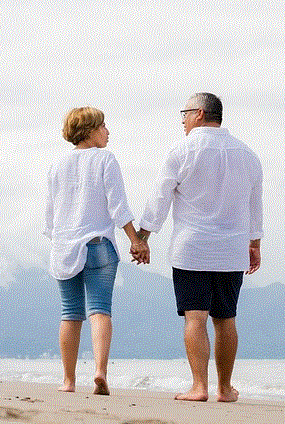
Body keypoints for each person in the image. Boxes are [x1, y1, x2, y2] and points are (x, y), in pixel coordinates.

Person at [135, 92, 262, 402]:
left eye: (185, 113)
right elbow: (254, 204)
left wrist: (142, 237)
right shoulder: (247, 154)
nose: (182, 120)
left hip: (191, 248)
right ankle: (224, 389)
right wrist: (254, 243)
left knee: (195, 318)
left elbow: (160, 198)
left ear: (201, 114)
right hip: (231, 250)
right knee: (226, 319)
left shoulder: (182, 150)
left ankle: (199, 387)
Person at [44, 106, 149, 394]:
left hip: (65, 247)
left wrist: (59, 242)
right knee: (100, 311)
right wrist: (136, 240)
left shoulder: (57, 164)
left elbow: (50, 216)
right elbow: (118, 206)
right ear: (90, 131)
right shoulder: (105, 159)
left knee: (70, 314)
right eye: (103, 126)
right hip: (98, 246)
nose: (108, 131)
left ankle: (68, 381)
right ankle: (100, 373)